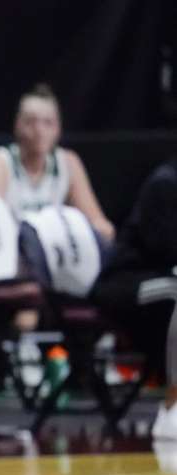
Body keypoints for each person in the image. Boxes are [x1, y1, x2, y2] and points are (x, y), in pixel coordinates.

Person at [91, 157, 177, 440]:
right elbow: (166, 250)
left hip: (162, 277)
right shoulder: (165, 183)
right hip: (126, 282)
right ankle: (172, 407)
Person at [0, 83, 114, 239]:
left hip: (50, 253)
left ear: (58, 128)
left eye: (47, 122)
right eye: (30, 121)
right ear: (17, 125)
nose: (39, 130)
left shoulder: (68, 162)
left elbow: (99, 224)